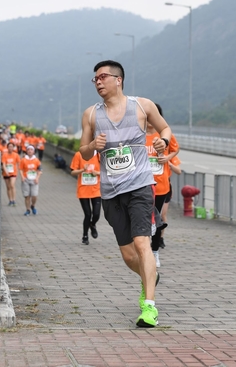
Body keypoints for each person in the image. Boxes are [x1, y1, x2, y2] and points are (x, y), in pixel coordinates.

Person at [79, 60, 171, 328]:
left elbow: (165, 129)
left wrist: (162, 141)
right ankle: (149, 277)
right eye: (95, 79)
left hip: (140, 186)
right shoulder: (91, 115)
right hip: (111, 193)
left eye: (103, 77)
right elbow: (83, 152)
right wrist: (93, 146)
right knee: (129, 256)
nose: (98, 82)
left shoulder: (142, 106)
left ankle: (149, 307)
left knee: (142, 243)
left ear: (118, 80)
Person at [145, 103, 179, 268]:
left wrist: (167, 158)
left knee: (157, 220)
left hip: (161, 185)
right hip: (142, 185)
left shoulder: (164, 134)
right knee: (144, 219)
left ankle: (155, 251)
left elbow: (175, 149)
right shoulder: (138, 135)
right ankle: (144, 251)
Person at [70, 150, 101, 245]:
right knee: (88, 214)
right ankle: (85, 236)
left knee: (96, 214)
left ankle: (92, 224)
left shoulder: (99, 155)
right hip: (83, 190)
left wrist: (97, 173)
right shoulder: (79, 154)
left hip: (96, 189)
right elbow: (73, 172)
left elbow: (107, 171)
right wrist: (82, 170)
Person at [20, 144, 42, 216]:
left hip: (34, 179)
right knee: (27, 196)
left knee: (34, 195)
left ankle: (33, 205)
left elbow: (39, 170)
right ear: (26, 151)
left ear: (34, 151)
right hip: (26, 179)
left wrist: (37, 178)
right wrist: (22, 177)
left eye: (31, 149)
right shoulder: (23, 160)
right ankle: (28, 209)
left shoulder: (36, 160)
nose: (30, 151)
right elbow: (21, 169)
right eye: (28, 149)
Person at [1, 141, 21, 206]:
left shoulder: (16, 155)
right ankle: (10, 200)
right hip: (6, 173)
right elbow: (3, 164)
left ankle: (14, 200)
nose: (10, 148)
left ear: (13, 148)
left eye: (12, 147)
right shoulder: (4, 155)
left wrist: (17, 171)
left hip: (13, 172)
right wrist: (6, 171)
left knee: (12, 185)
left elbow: (18, 164)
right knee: (8, 187)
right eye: (9, 147)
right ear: (7, 148)